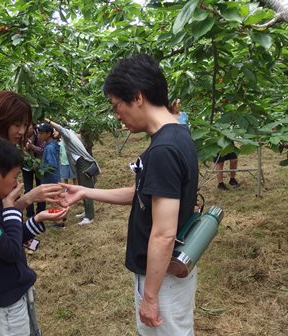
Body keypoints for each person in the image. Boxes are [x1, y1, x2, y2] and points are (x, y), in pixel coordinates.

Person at [59, 54, 199, 335]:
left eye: (116, 105)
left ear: (137, 97)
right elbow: (141, 194)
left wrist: (149, 297)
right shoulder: (177, 135)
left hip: (162, 278)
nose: (117, 115)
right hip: (169, 272)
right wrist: (86, 190)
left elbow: (163, 233)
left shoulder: (163, 151)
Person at [0, 137, 68, 336]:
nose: (17, 184)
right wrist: (10, 208)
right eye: (15, 176)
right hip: (4, 307)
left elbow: (8, 239)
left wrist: (38, 219)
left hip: (13, 296)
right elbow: (11, 251)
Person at [0, 90, 63, 212]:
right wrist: (28, 198)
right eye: (16, 125)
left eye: (25, 125)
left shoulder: (2, 151)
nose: (22, 131)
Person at [44, 119, 100, 225]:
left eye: (55, 130)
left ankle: (90, 217)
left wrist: (48, 120)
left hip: (84, 163)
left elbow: (61, 129)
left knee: (86, 189)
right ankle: (87, 212)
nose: (54, 133)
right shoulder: (65, 137)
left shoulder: (67, 134)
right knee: (82, 187)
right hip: (79, 163)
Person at [22, 124, 45, 217]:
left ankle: (40, 211)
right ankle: (30, 213)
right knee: (28, 190)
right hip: (26, 167)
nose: (27, 129)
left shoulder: (39, 136)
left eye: (29, 127)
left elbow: (43, 150)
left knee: (41, 189)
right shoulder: (20, 137)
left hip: (39, 167)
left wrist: (32, 147)